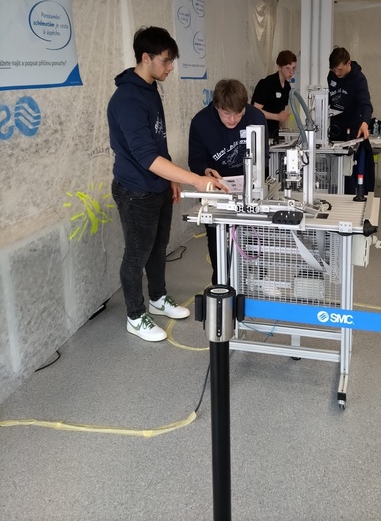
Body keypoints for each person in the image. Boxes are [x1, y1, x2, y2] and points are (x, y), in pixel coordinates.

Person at [108, 26, 226, 342]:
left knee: (158, 248)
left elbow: (158, 141)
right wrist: (194, 179)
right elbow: (146, 156)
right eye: (166, 60)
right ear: (146, 58)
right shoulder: (128, 99)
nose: (170, 67)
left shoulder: (150, 88)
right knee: (137, 254)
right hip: (135, 190)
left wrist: (171, 178)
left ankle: (158, 298)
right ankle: (135, 316)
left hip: (156, 186)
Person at [188, 79, 269, 285]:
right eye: (226, 114)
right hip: (217, 189)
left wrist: (255, 180)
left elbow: (264, 157)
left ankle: (258, 280)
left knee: (254, 234)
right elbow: (195, 160)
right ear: (216, 106)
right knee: (216, 237)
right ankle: (221, 282)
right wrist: (205, 171)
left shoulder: (256, 117)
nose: (233, 119)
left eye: (238, 113)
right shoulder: (201, 122)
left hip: (249, 188)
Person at [327, 46, 375, 193]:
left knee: (350, 171)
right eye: (334, 70)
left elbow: (366, 104)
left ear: (348, 63)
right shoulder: (331, 76)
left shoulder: (359, 79)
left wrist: (365, 123)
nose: (337, 73)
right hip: (334, 129)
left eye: (339, 70)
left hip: (353, 129)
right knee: (334, 172)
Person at [251, 50, 297, 143]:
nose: (291, 72)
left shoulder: (287, 87)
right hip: (260, 132)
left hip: (274, 133)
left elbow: (281, 111)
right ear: (279, 67)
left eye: (293, 68)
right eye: (287, 68)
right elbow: (255, 111)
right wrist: (277, 117)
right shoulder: (267, 84)